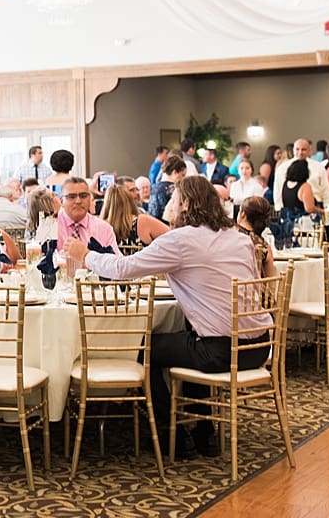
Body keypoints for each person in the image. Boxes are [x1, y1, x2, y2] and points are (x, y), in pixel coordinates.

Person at [83, 176, 270, 458]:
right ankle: (205, 432)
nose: (170, 204)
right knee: (190, 331)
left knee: (146, 348)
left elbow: (122, 268)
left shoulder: (181, 240)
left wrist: (84, 255)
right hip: (258, 347)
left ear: (186, 204)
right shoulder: (238, 238)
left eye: (174, 199)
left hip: (222, 351)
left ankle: (172, 434)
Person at [100, 183, 168, 247]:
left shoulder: (100, 227)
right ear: (129, 201)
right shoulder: (142, 221)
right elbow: (173, 236)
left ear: (106, 205)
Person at [272, 138, 329, 212]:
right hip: (290, 208)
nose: (300, 152)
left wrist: (328, 207)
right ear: (293, 150)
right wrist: (279, 209)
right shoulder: (283, 168)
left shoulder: (318, 167)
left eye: (303, 149)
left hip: (316, 206)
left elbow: (325, 190)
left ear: (309, 151)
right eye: (297, 149)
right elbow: (277, 190)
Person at [236, 196, 276, 277]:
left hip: (230, 287)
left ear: (243, 214)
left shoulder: (231, 237)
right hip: (254, 289)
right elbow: (270, 285)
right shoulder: (265, 247)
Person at [148, 154, 187, 222]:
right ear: (175, 172)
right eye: (182, 175)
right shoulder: (174, 190)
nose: (183, 179)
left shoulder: (154, 188)